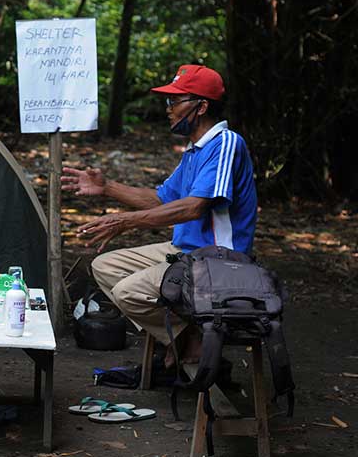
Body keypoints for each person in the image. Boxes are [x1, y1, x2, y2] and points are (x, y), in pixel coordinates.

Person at [60, 65, 257, 363]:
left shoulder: (226, 144)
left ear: (202, 106)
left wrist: (124, 221)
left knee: (127, 292)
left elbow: (194, 206)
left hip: (219, 259)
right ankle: (185, 335)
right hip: (184, 251)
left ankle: (191, 342)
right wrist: (107, 187)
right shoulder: (194, 150)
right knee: (104, 267)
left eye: (175, 101)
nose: (168, 109)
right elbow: (161, 199)